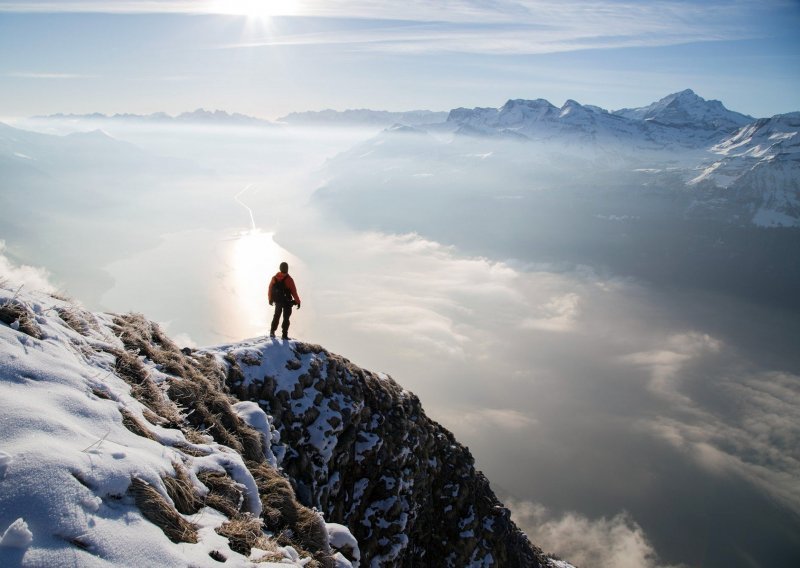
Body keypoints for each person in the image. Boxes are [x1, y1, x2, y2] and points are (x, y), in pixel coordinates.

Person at [268, 262, 301, 340]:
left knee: (276, 316)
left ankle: (272, 332)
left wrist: (270, 299)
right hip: (287, 302)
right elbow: (294, 292)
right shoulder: (289, 279)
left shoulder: (274, 278)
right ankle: (284, 335)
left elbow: (270, 289)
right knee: (286, 318)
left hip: (278, 301)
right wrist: (298, 302)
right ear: (287, 268)